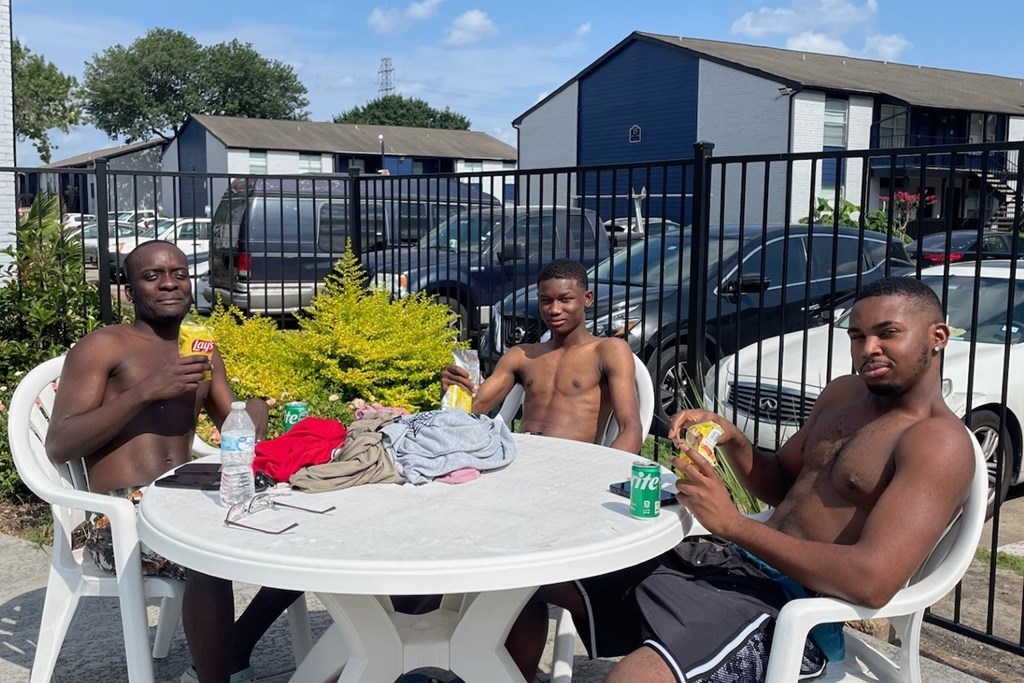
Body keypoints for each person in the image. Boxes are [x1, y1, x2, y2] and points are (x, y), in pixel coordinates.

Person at [549, 275, 974, 683]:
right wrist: (733, 439)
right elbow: (781, 484)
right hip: (729, 564)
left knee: (635, 679)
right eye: (857, 336)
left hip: (792, 607)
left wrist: (731, 523)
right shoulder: (844, 395)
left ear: (937, 337)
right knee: (537, 584)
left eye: (888, 333)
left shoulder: (937, 443)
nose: (869, 349)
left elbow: (871, 582)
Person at [46, 240, 301, 683]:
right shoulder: (103, 347)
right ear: (129, 290)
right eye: (153, 276)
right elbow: (60, 443)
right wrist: (145, 391)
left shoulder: (199, 347)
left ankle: (234, 649)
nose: (169, 283)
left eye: (179, 274)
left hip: (189, 498)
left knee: (306, 535)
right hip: (121, 520)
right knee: (208, 551)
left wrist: (252, 410)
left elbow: (235, 436)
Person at [439, 258, 644, 676]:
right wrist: (454, 390)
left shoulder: (608, 350)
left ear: (586, 299)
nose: (555, 309)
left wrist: (601, 484)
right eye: (546, 300)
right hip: (514, 474)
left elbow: (631, 427)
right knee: (452, 544)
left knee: (518, 582)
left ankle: (510, 667)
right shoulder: (523, 356)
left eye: (566, 299)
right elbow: (473, 409)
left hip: (572, 479)